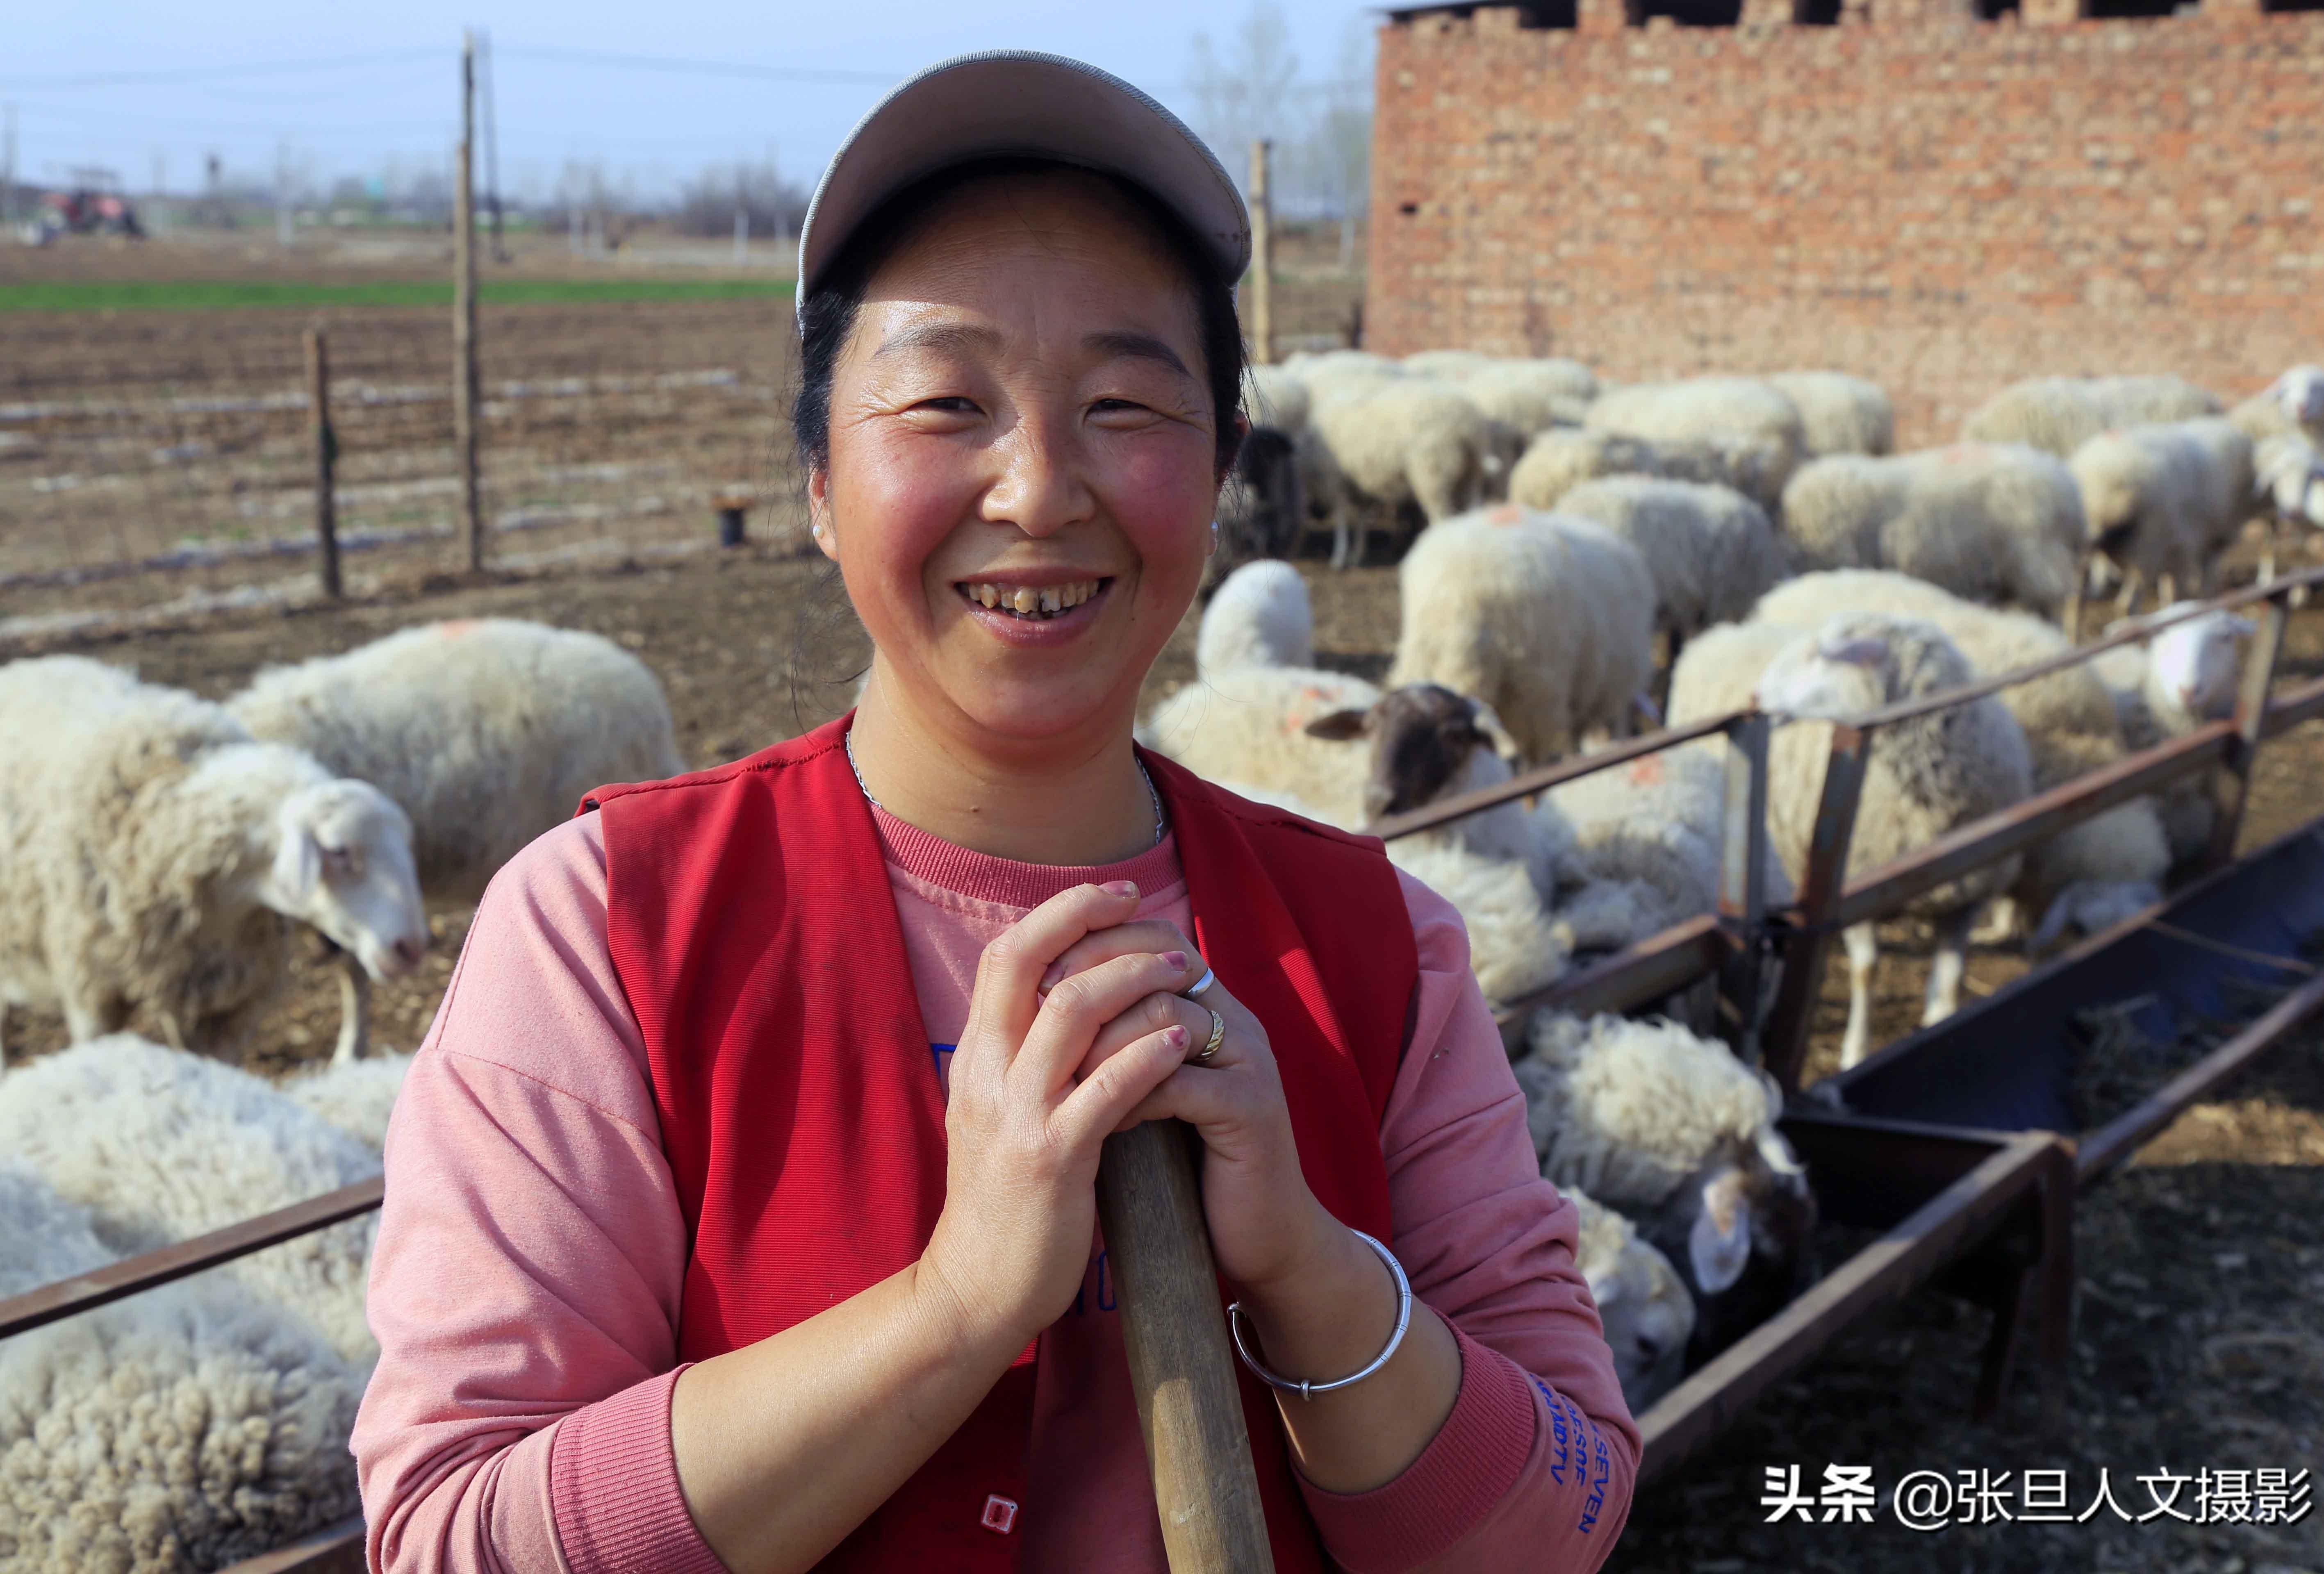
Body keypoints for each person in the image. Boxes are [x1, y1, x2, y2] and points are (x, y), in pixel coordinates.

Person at [354, 50, 1638, 1574]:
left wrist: (1305, 1261)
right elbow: (451, 1541)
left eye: (1125, 403)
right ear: (820, 478)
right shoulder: (609, 932)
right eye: (947, 400)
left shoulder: (1375, 947)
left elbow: (1568, 1517)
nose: (1039, 489)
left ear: (1223, 471)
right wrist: (953, 1308)